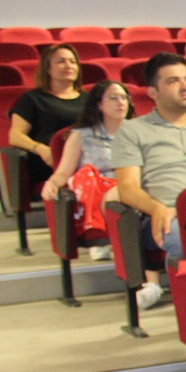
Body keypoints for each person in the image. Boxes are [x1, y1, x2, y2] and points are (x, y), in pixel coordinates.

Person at [111, 53, 186, 309]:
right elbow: (127, 188)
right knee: (183, 236)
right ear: (152, 92)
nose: (185, 86)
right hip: (168, 215)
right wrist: (157, 209)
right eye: (173, 81)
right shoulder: (132, 131)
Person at [40, 80, 129, 253]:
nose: (120, 102)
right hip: (102, 191)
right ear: (99, 104)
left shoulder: (139, 132)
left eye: (124, 97)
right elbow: (63, 172)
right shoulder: (81, 136)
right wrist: (52, 183)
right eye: (113, 97)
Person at [8, 44, 84, 189]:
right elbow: (15, 136)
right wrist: (40, 149)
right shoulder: (32, 99)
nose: (69, 66)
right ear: (48, 68)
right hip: (50, 161)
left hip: (86, 158)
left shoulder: (90, 99)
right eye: (61, 61)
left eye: (73, 62)